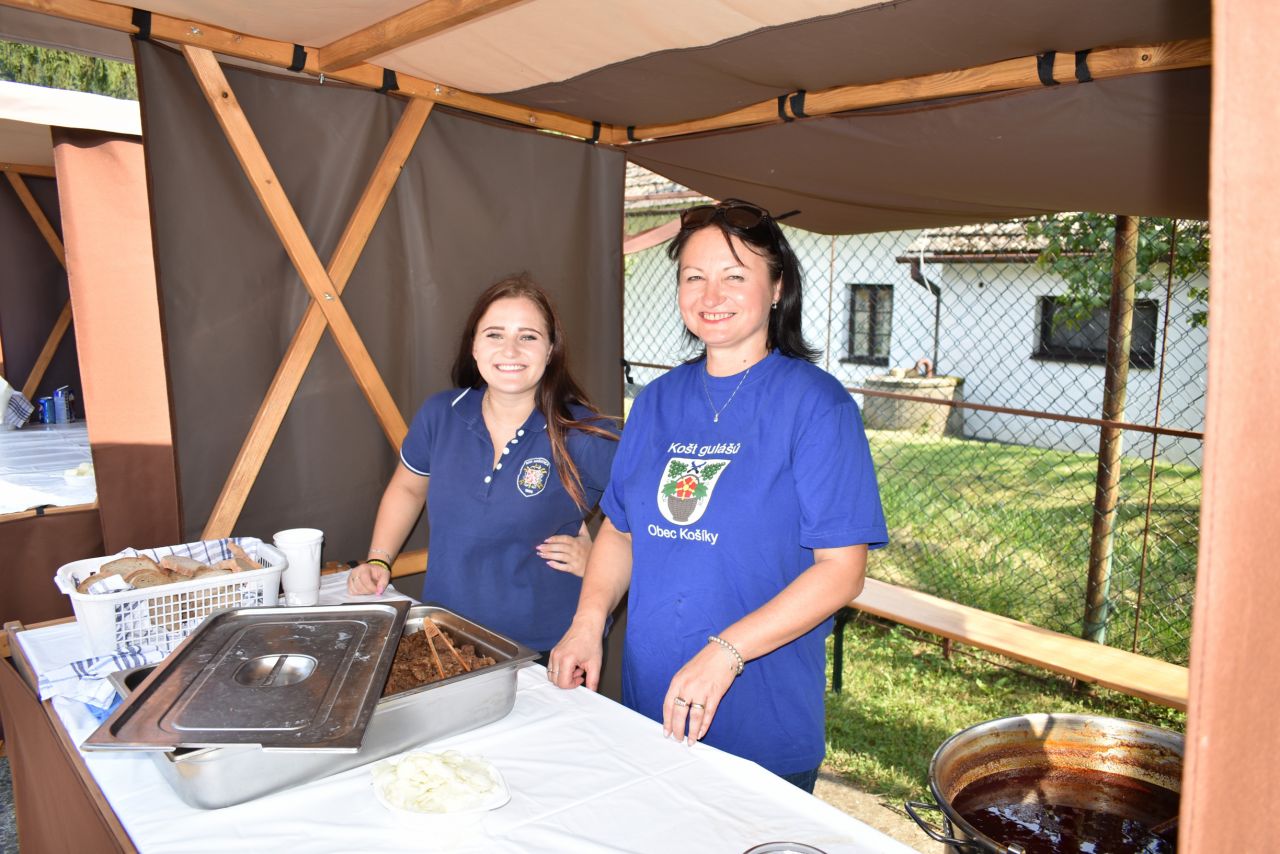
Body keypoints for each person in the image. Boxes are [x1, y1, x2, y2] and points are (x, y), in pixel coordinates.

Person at [548, 200, 887, 793]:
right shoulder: (656, 401)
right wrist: (587, 622)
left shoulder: (818, 405)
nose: (711, 294)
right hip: (649, 708)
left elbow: (842, 571)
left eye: (734, 275)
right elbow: (621, 532)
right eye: (694, 277)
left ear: (777, 288)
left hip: (760, 722)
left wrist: (727, 652)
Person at [348, 274, 619, 657]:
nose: (510, 350)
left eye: (528, 336)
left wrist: (600, 560)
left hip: (548, 649)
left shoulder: (584, 433)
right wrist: (379, 558)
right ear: (473, 345)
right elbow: (408, 488)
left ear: (550, 350)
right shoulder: (440, 414)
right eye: (494, 334)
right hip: (446, 637)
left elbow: (648, 521)